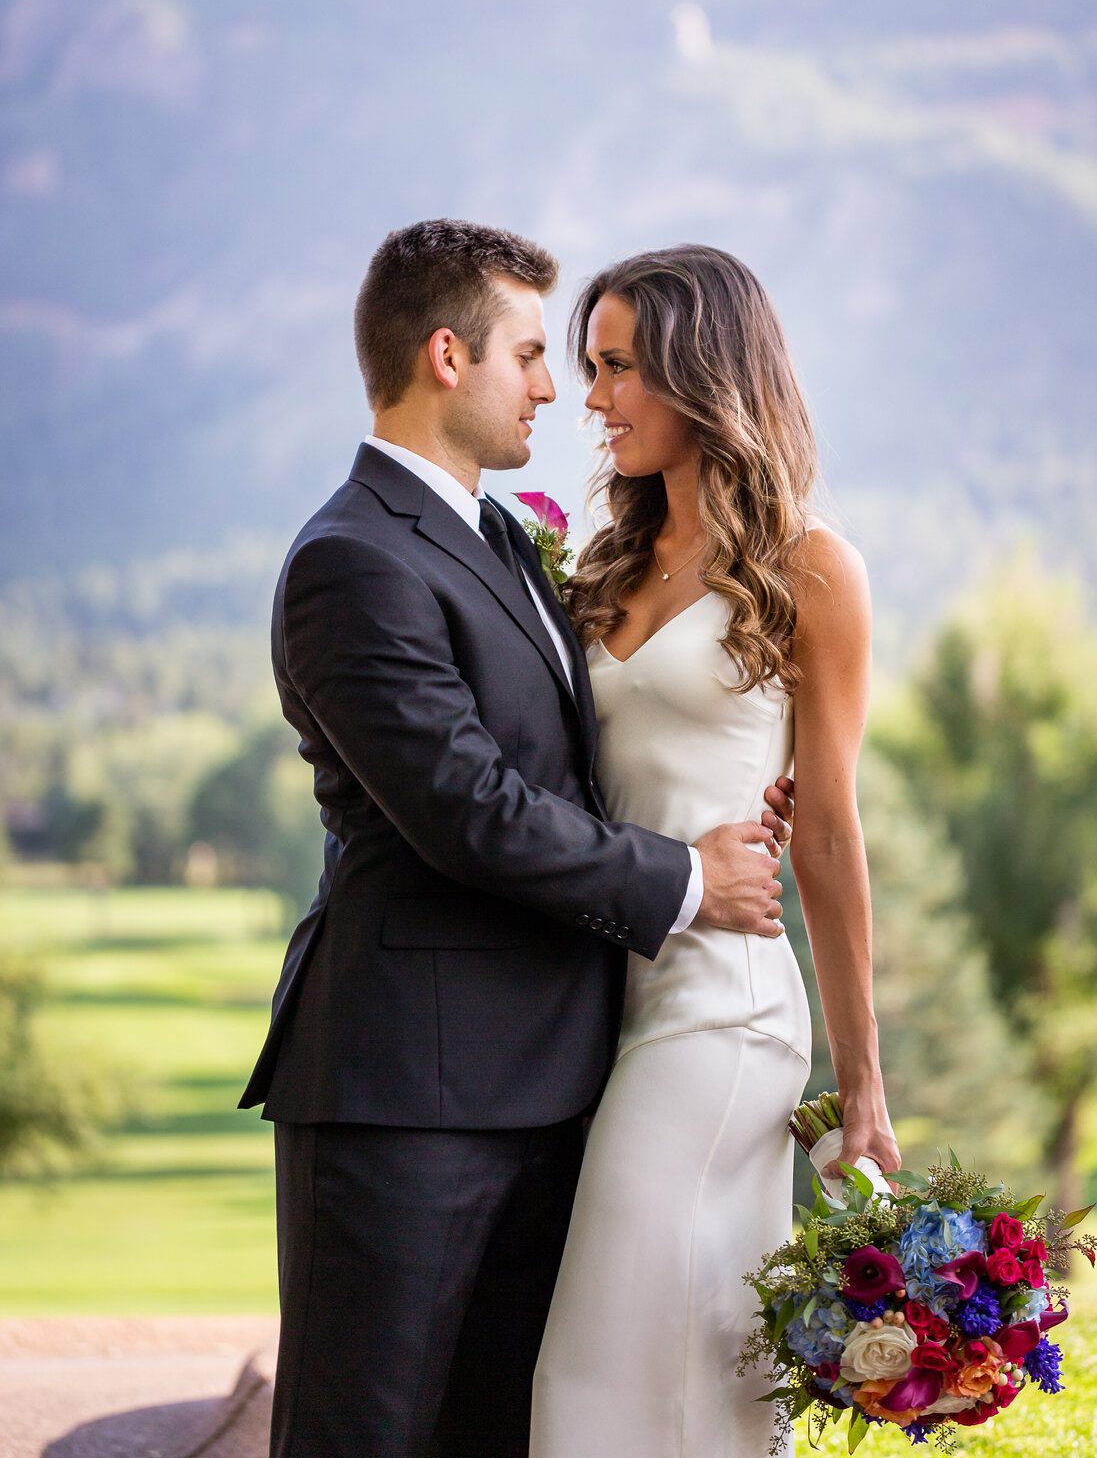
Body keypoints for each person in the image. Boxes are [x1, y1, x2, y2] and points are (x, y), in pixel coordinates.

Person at [239, 219, 796, 1458]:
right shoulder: (352, 559)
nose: (556, 387)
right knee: (365, 1437)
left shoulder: (503, 543)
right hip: (404, 1096)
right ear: (448, 357)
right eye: (535, 354)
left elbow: (585, 758)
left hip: (550, 1088)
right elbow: (466, 809)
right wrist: (688, 877)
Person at [531, 245, 901, 1458]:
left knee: (592, 1368)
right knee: (686, 1363)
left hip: (722, 1008)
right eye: (591, 368)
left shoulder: (810, 567)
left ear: (706, 370)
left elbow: (832, 838)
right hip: (602, 998)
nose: (595, 399)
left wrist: (863, 1088)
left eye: (621, 367)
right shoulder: (603, 568)